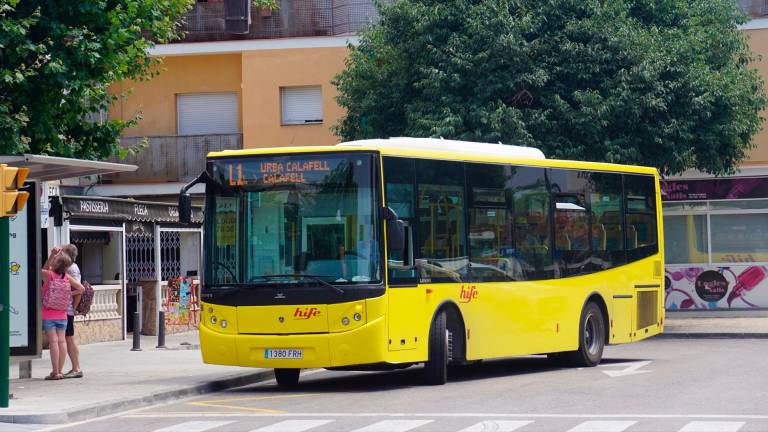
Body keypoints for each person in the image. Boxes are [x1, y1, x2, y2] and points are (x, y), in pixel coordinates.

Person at [41, 249, 84, 380]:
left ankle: (55, 372)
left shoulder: (49, 275)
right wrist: (66, 294)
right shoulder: (66, 277)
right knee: (62, 342)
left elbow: (39, 270)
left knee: (53, 342)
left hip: (48, 313)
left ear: (55, 263)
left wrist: (51, 256)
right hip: (63, 314)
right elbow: (81, 288)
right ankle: (60, 370)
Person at [60, 244, 84, 379]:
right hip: (66, 308)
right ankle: (75, 367)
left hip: (67, 309)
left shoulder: (72, 269)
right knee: (68, 338)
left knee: (69, 338)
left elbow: (79, 290)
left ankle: (76, 367)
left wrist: (73, 307)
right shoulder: (67, 268)